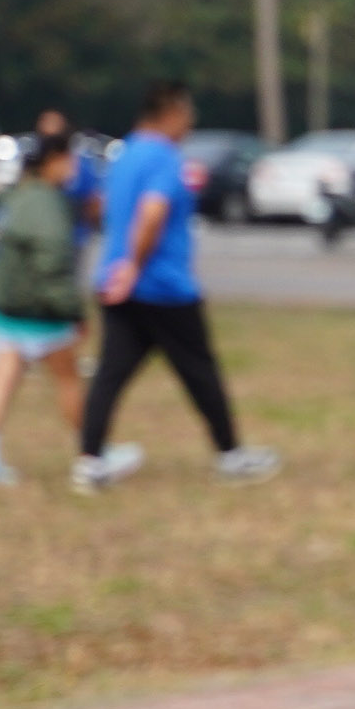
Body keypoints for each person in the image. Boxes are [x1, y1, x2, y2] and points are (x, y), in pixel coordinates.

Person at [75, 81, 281, 494]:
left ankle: (90, 462)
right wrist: (135, 266)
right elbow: (152, 213)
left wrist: (120, 264)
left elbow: (99, 208)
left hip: (116, 284)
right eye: (187, 113)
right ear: (169, 112)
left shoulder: (124, 155)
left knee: (110, 375)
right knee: (200, 371)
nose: (191, 122)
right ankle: (231, 455)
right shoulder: (165, 158)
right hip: (162, 286)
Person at [0, 130, 89, 487]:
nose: (74, 167)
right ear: (53, 161)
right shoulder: (48, 204)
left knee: (2, 377)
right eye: (70, 159)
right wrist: (74, 311)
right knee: (68, 379)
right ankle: (92, 453)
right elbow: (53, 265)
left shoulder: (12, 193)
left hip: (5, 304)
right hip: (40, 310)